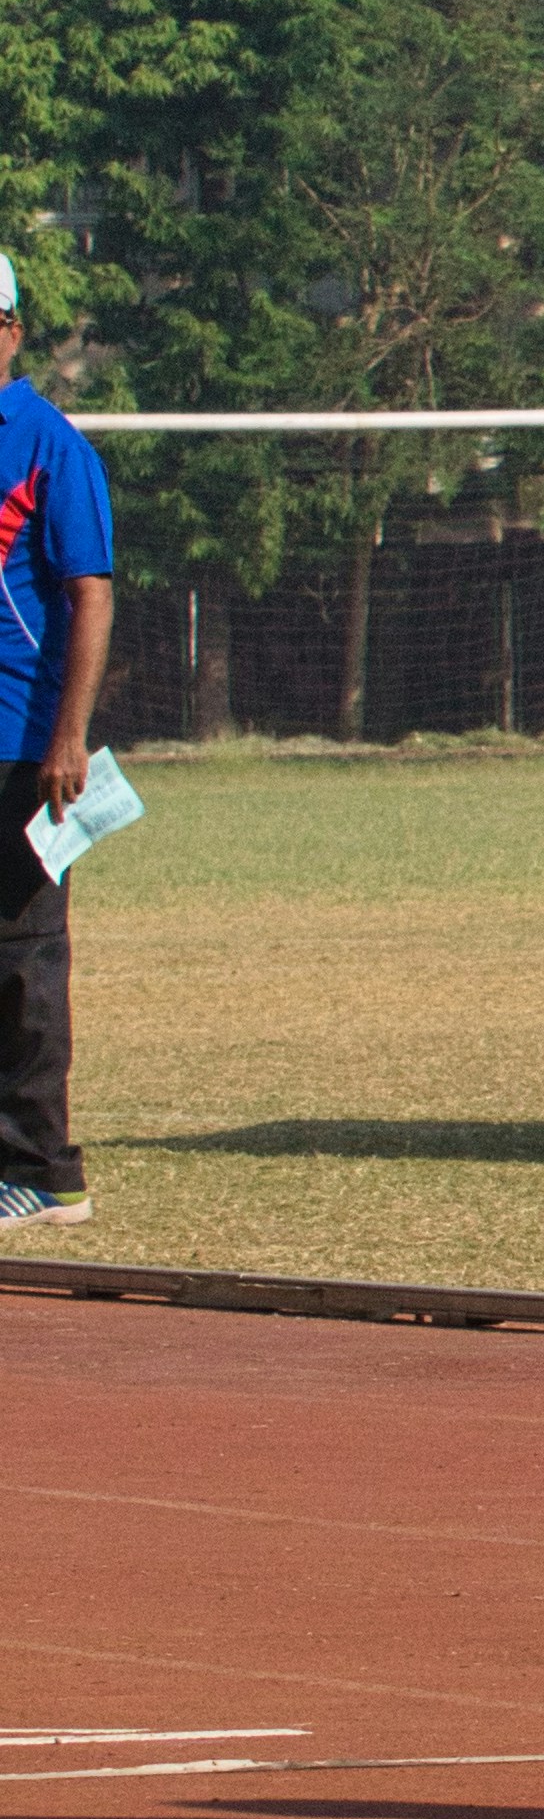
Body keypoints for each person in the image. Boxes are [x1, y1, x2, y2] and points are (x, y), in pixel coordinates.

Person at [0, 255, 112, 1229]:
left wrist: (69, 734)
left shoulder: (47, 444)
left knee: (23, 955)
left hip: (19, 744)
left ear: (10, 331)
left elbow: (90, 593)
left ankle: (46, 1168)